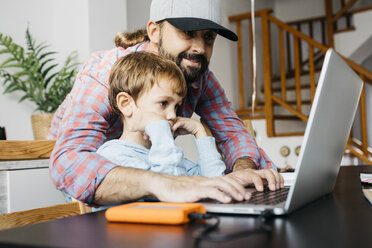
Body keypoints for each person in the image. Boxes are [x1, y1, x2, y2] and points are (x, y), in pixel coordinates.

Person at [48, 0, 284, 206]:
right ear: (155, 31)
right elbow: (70, 163)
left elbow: (233, 134)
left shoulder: (199, 77)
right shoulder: (107, 72)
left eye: (208, 37)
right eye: (188, 33)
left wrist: (243, 172)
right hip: (97, 186)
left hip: (155, 175)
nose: (200, 48)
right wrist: (164, 183)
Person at [97, 51, 226, 179]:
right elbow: (172, 186)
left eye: (176, 106)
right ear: (126, 104)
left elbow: (216, 181)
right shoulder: (113, 156)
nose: (172, 115)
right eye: (163, 103)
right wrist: (159, 128)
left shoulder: (170, 155)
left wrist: (199, 130)